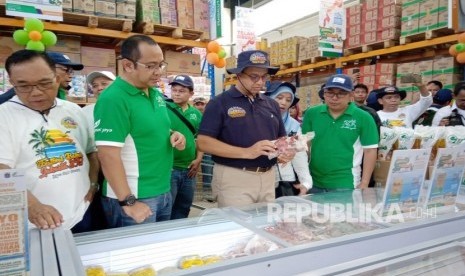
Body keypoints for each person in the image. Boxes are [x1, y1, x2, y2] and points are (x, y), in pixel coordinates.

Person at [0, 50, 98, 232]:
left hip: (81, 213)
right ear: (12, 83)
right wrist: (32, 206)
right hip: (35, 224)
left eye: (44, 83)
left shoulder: (73, 110)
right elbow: (2, 170)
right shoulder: (4, 116)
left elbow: (91, 151)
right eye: (24, 86)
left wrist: (93, 183)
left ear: (57, 78)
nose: (36, 92)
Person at [94, 34, 186, 228]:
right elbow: (107, 155)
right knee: (136, 256)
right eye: (151, 66)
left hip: (162, 189)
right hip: (135, 197)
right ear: (128, 65)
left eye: (161, 64)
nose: (158, 71)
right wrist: (129, 201)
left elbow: (147, 128)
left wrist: (173, 135)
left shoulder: (154, 93)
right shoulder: (114, 99)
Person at [197, 50, 294, 207]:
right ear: (239, 75)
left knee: (265, 223)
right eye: (254, 76)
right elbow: (203, 142)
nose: (260, 82)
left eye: (264, 77)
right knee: (237, 227)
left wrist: (286, 151)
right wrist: (248, 152)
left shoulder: (271, 105)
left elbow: (281, 138)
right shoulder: (219, 103)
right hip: (234, 176)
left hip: (268, 176)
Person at [302, 74, 379, 191]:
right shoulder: (312, 113)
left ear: (351, 95)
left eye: (341, 93)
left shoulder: (364, 117)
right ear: (324, 94)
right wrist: (304, 177)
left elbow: (370, 150)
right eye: (330, 93)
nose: (334, 98)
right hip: (314, 181)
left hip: (346, 182)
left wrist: (365, 182)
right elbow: (305, 145)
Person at [81, 70, 116, 231]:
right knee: (93, 207)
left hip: (116, 169)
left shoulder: (123, 108)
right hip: (92, 169)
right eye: (95, 85)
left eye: (104, 84)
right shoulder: (84, 111)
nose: (99, 88)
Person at [264, 81, 312, 196]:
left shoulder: (294, 126)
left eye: (288, 100)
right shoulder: (257, 122)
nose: (283, 103)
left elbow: (300, 155)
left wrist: (306, 182)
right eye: (279, 97)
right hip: (262, 181)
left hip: (286, 181)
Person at [166, 75, 203, 219]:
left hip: (189, 169)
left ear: (191, 94)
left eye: (181, 91)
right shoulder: (164, 108)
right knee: (167, 207)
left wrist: (198, 159)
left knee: (184, 207)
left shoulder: (195, 114)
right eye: (174, 90)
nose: (176, 93)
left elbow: (200, 138)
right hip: (170, 168)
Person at [0, 51, 84, 104]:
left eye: (71, 71)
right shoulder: (14, 98)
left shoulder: (59, 93)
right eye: (66, 70)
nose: (70, 75)